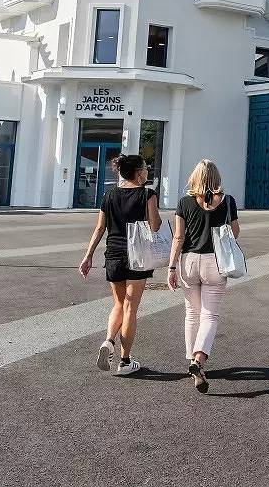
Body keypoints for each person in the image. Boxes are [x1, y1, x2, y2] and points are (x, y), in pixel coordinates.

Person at [79, 153, 161, 377]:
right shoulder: (147, 194)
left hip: (113, 254)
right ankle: (125, 361)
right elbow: (155, 226)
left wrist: (88, 256)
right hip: (137, 256)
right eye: (145, 167)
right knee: (130, 308)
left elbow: (99, 228)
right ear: (138, 172)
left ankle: (108, 340)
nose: (147, 170)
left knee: (118, 304)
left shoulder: (109, 195)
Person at [167, 159, 240, 394]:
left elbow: (179, 237)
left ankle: (192, 361)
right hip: (215, 262)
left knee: (191, 314)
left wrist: (171, 267)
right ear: (217, 178)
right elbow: (235, 232)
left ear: (195, 177)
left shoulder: (185, 202)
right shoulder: (228, 201)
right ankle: (199, 360)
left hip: (189, 260)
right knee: (209, 315)